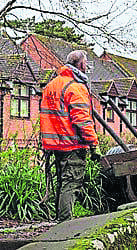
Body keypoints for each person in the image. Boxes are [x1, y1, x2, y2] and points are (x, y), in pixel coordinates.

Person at [40, 50, 102, 221]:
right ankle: (64, 225)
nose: (87, 65)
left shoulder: (52, 85)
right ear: (81, 64)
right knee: (71, 184)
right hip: (72, 144)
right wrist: (94, 145)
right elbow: (82, 119)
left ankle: (60, 221)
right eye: (86, 62)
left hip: (55, 144)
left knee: (62, 182)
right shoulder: (75, 87)